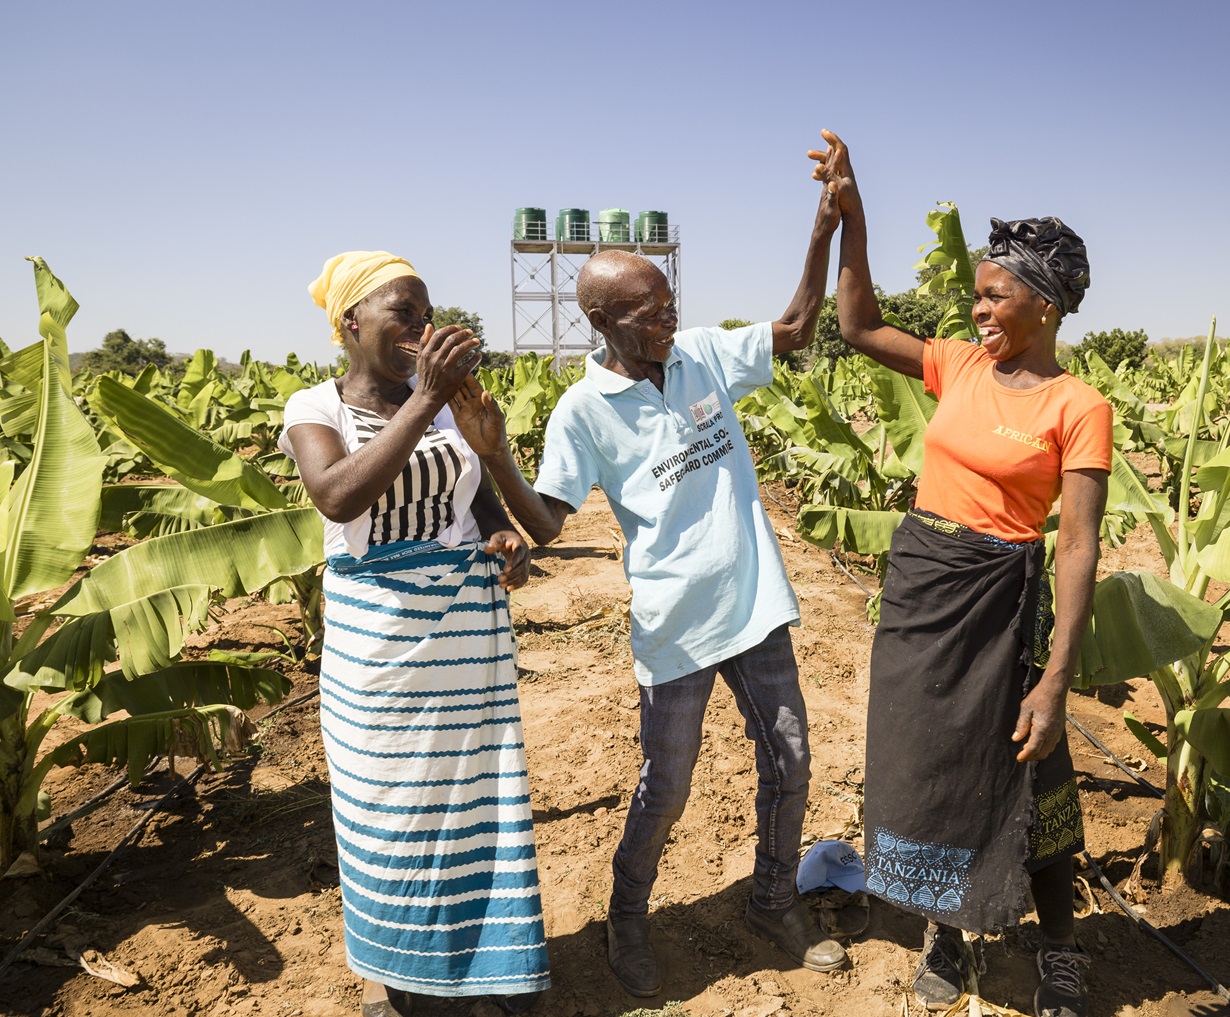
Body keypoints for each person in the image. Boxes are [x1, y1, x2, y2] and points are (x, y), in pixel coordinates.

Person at [447, 177, 846, 999]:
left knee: (792, 761)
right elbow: (549, 520)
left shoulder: (701, 353)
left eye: (669, 303)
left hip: (755, 607)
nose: (668, 319)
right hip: (676, 625)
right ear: (601, 321)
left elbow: (800, 325)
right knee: (666, 787)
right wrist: (495, 457)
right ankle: (628, 914)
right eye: (649, 311)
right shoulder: (584, 410)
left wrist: (823, 225)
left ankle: (774, 901)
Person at [809, 132, 1112, 1017]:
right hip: (922, 589)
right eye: (976, 295)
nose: (978, 310)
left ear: (1044, 302)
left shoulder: (1077, 406)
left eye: (994, 294)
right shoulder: (959, 365)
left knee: (1030, 769)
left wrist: (1055, 679)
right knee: (926, 765)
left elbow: (1080, 546)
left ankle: (1059, 951)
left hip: (1001, 605)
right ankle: (946, 933)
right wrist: (853, 216)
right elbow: (858, 325)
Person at [279, 252, 550, 1017]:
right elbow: (338, 494)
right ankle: (400, 981)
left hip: (462, 653)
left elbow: (488, 515)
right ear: (351, 325)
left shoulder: (454, 406)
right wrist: (424, 399)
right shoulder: (315, 407)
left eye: (427, 314)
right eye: (404, 314)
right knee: (393, 817)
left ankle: (481, 965)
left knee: (472, 809)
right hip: (380, 661)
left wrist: (506, 546)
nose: (422, 329)